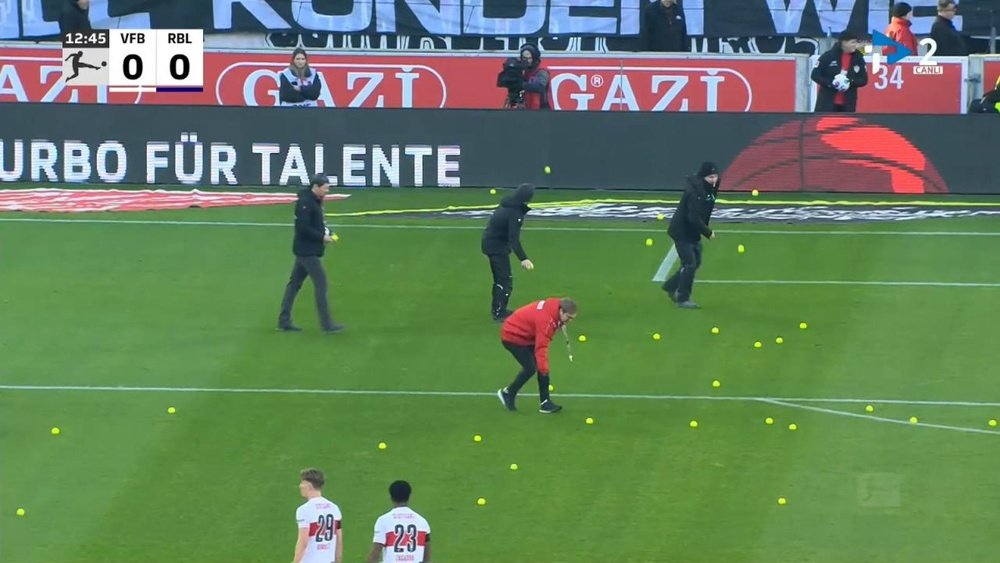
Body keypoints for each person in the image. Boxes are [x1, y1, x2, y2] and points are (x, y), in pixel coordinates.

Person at [277, 174, 346, 333]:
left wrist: (327, 231)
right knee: (321, 284)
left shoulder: (314, 200)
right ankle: (326, 324)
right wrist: (322, 237)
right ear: (316, 186)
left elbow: (317, 224)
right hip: (306, 252)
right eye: (325, 188)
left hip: (306, 251)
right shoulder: (305, 203)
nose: (327, 191)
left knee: (294, 285)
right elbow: (303, 229)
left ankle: (284, 320)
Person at [496, 297, 577, 414]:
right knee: (532, 368)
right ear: (561, 311)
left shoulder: (555, 307)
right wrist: (544, 370)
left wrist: (560, 323)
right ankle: (509, 393)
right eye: (568, 317)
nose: (570, 321)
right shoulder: (546, 322)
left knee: (536, 367)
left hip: (525, 334)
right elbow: (541, 348)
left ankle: (544, 403)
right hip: (512, 336)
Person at [662, 162, 720, 309]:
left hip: (692, 232)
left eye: (715, 176)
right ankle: (683, 298)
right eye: (710, 177)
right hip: (682, 232)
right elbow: (693, 217)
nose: (713, 180)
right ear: (703, 177)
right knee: (690, 264)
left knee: (696, 261)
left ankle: (670, 285)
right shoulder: (696, 192)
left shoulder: (709, 188)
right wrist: (708, 232)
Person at [481, 183, 535, 321]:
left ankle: (498, 309)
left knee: (501, 279)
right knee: (504, 280)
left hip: (493, 244)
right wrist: (524, 259)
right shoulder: (514, 212)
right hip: (496, 247)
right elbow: (513, 239)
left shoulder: (508, 205)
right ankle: (499, 312)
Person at [367, 481, 431, 563]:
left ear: (390, 497)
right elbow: (427, 557)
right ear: (409, 496)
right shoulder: (422, 522)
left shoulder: (383, 520)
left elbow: (375, 554)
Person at [293, 468, 343, 563]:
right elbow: (339, 540)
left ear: (309, 486)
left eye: (302, 483)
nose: (300, 486)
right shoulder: (334, 508)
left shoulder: (304, 510)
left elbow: (303, 541)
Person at [811, 30, 869, 113]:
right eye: (852, 42)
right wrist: (832, 83)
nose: (855, 45)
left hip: (847, 104)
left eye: (856, 42)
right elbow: (815, 75)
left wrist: (849, 81)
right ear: (844, 43)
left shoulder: (858, 58)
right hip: (827, 103)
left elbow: (863, 80)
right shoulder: (828, 56)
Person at [513, 44, 551, 110]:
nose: (526, 61)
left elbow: (539, 87)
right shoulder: (525, 70)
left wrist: (522, 85)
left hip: (541, 108)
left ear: (534, 58)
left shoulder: (542, 71)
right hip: (527, 106)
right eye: (524, 58)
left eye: (529, 58)